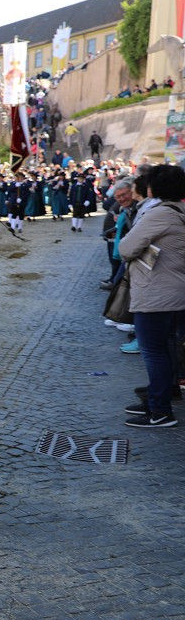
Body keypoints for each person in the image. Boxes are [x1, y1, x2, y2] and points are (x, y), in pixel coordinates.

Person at [118, 165, 185, 428]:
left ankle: (160, 411)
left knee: (154, 353)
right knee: (165, 349)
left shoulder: (159, 214)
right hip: (175, 292)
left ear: (152, 189)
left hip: (156, 292)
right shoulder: (179, 211)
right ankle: (161, 396)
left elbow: (126, 248)